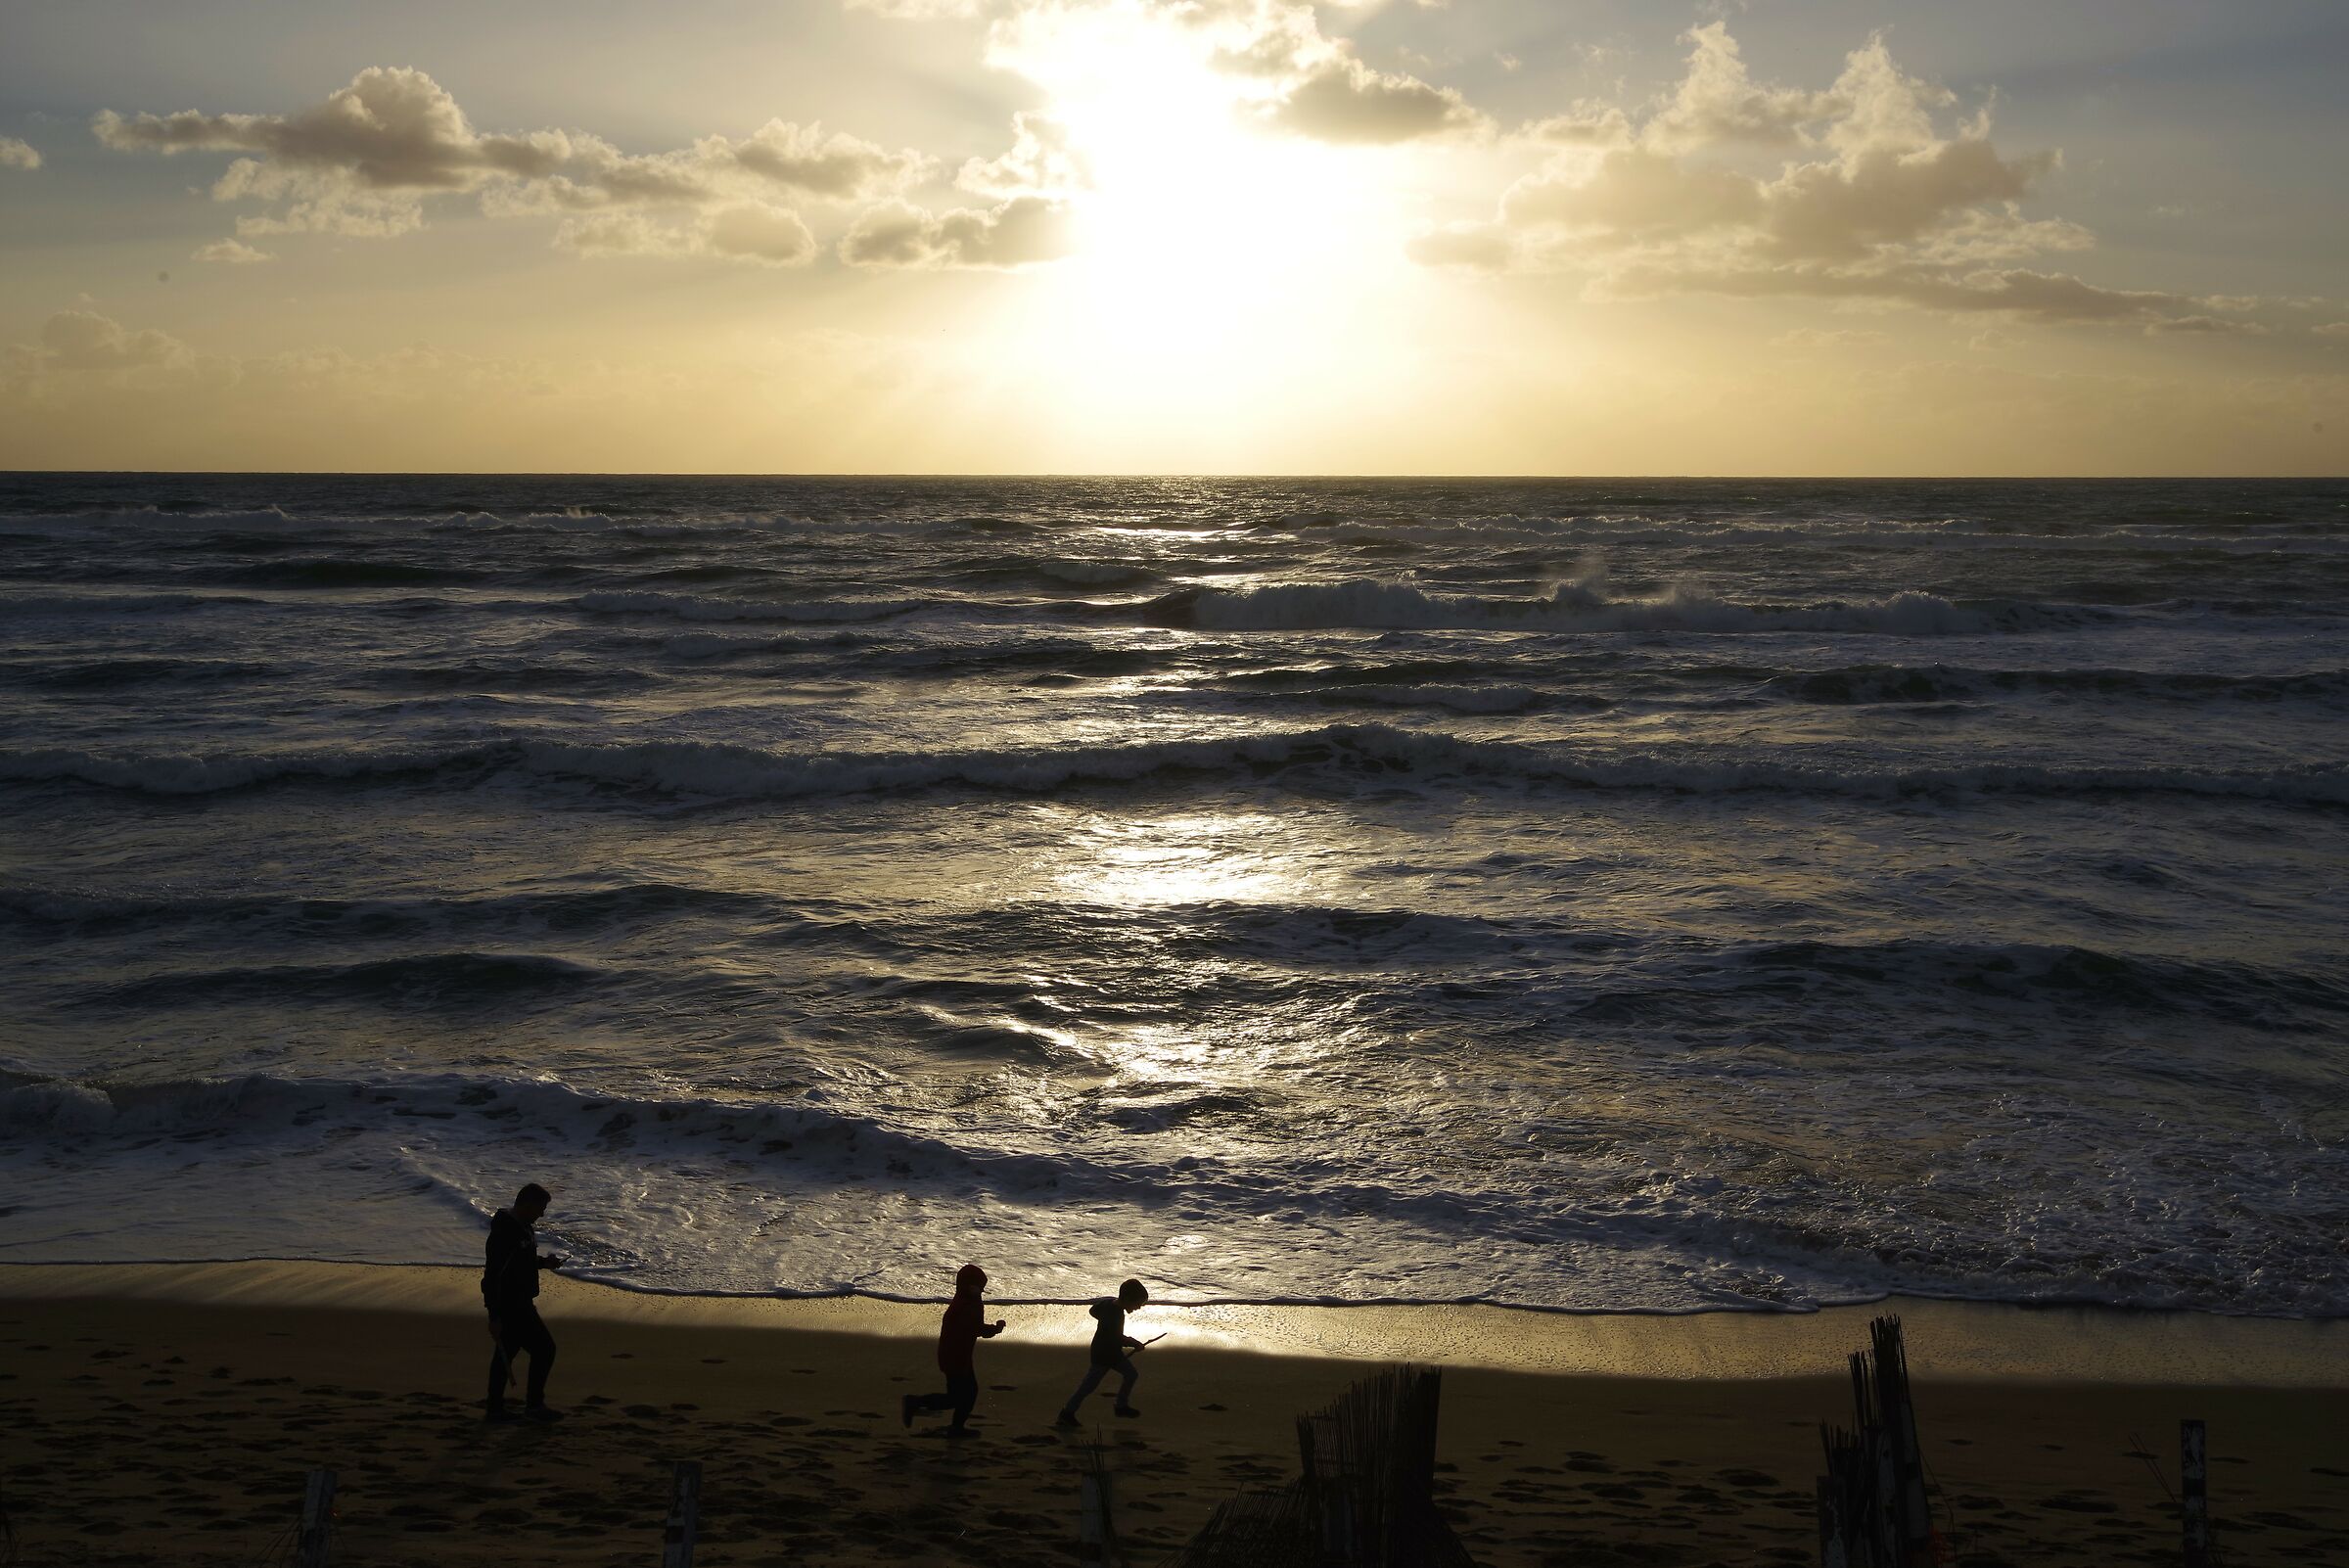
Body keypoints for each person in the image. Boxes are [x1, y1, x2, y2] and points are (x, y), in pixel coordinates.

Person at [483, 1181, 566, 1423]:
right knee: (544, 1349)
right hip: (511, 1305)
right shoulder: (504, 1232)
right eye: (541, 1208)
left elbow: (520, 1261)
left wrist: (544, 1263)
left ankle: (496, 1409)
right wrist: (494, 1315)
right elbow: (493, 1276)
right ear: (527, 1205)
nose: (542, 1214)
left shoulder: (523, 1227)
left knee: (506, 1355)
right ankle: (533, 1406)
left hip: (520, 1302)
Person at [901, 1264, 1006, 1437]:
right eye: (977, 1286)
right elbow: (976, 1329)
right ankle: (916, 1403)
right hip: (955, 1357)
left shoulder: (968, 1300)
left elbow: (974, 1328)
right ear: (966, 1284)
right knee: (959, 1397)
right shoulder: (966, 1304)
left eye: (981, 1287)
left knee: (964, 1394)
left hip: (959, 1355)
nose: (980, 1290)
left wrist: (993, 1329)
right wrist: (996, 1329)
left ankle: (954, 1426)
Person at [1054, 1278, 1148, 1427]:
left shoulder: (1109, 1303)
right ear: (1127, 1298)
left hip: (1111, 1352)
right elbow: (1116, 1338)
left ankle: (1121, 1406)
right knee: (1089, 1385)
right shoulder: (1115, 1315)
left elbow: (1093, 1310)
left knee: (1131, 1374)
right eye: (1137, 1304)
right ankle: (1067, 1413)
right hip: (1103, 1354)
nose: (1138, 1307)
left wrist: (1104, 1321)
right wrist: (1134, 1343)